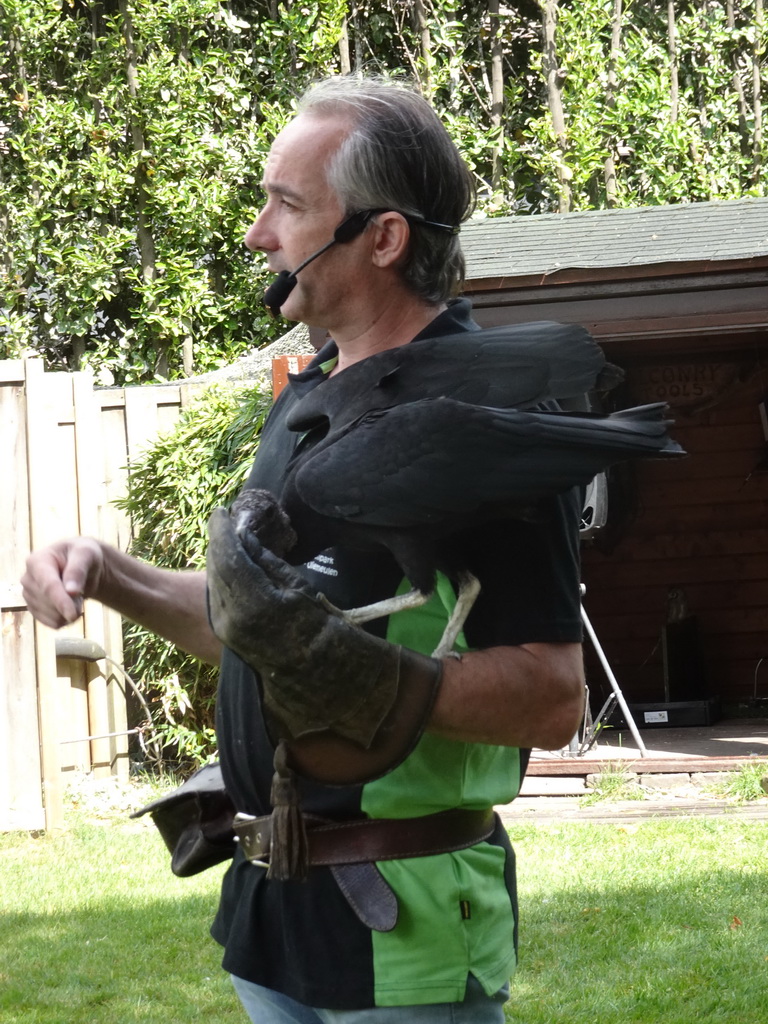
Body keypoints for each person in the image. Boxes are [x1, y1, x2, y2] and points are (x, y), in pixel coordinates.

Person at [22, 76, 585, 1023]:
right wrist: (106, 570)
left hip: (402, 931)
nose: (257, 233)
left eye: (287, 204)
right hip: (272, 914)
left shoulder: (485, 412)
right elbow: (265, 630)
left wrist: (380, 688)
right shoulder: (309, 395)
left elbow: (555, 697)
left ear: (384, 235)